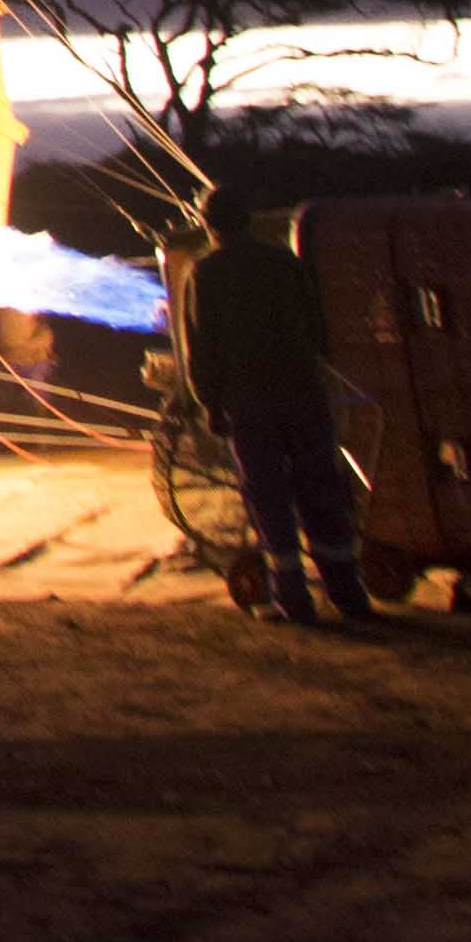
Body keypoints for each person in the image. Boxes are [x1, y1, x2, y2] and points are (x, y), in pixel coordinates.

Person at [183, 186, 370, 627]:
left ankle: (294, 600)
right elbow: (318, 330)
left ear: (209, 225)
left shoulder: (206, 274)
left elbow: (202, 350)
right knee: (321, 489)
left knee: (269, 498)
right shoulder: (285, 263)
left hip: (250, 403)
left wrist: (209, 402)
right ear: (247, 219)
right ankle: (348, 594)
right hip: (304, 394)